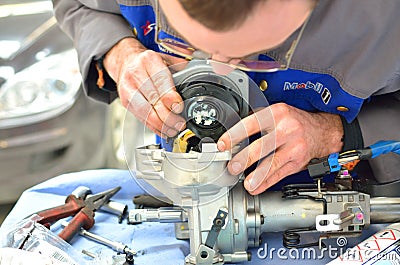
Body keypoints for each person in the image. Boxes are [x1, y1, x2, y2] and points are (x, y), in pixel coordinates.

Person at [52, 0, 400, 195]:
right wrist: (119, 51)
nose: (219, 69)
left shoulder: (385, 18)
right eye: (184, 41)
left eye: (250, 54)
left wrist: (334, 133)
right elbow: (78, 6)